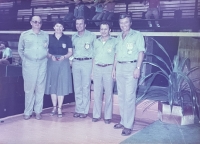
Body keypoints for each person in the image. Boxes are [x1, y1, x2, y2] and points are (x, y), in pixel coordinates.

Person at [112, 13, 145, 136]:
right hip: (120, 67)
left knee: (129, 97)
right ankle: (123, 120)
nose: (123, 25)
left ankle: (128, 125)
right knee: (121, 96)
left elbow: (141, 52)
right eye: (121, 23)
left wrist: (137, 68)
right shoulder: (118, 37)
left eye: (126, 22)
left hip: (131, 67)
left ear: (130, 23)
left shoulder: (137, 35)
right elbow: (116, 54)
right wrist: (114, 69)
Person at [18, 15, 49, 120]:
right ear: (31, 23)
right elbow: (20, 50)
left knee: (40, 88)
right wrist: (26, 60)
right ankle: (27, 112)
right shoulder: (24, 35)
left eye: (39, 22)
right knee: (29, 89)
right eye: (35, 22)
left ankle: (38, 111)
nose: (37, 24)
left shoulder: (45, 35)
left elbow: (47, 49)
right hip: (29, 65)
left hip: (42, 64)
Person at [45, 20, 73, 118]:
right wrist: (50, 56)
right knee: (53, 85)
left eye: (60, 26)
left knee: (61, 85)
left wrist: (64, 57)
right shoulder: (49, 38)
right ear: (54, 27)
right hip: (52, 62)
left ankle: (60, 108)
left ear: (63, 28)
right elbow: (46, 52)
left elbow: (70, 52)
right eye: (57, 26)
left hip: (63, 62)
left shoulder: (67, 38)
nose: (58, 28)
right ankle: (54, 107)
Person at [92, 21, 116, 124]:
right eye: (101, 29)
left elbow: (116, 56)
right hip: (97, 68)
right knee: (97, 93)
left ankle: (107, 116)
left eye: (105, 29)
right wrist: (92, 71)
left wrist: (114, 69)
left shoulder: (114, 41)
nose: (103, 31)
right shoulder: (96, 41)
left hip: (108, 69)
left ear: (109, 30)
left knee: (108, 94)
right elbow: (93, 57)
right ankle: (96, 115)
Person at [72, 16, 95, 118]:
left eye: (81, 24)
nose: (79, 26)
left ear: (85, 25)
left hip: (87, 63)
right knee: (77, 87)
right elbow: (72, 51)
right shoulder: (73, 36)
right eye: (77, 24)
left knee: (85, 87)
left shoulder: (91, 36)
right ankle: (78, 109)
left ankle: (84, 111)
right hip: (76, 63)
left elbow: (95, 53)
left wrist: (93, 69)